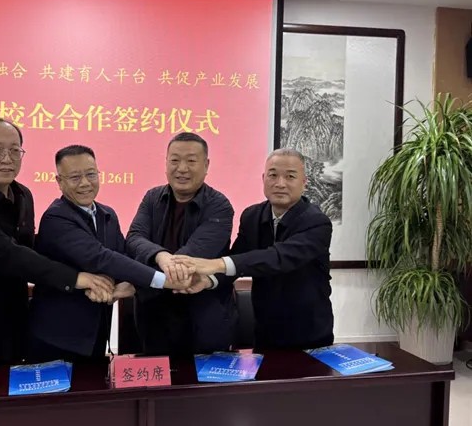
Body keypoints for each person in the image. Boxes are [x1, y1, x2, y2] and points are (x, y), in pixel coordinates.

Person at [0, 119, 114, 368]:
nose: (7, 158)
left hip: (11, 328)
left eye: (15, 150)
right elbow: (12, 256)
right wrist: (77, 278)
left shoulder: (23, 195)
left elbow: (31, 248)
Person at [28, 145, 196, 363]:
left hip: (95, 335)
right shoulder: (56, 218)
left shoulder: (107, 214)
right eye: (75, 177)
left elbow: (123, 257)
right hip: (57, 337)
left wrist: (128, 284)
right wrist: (164, 280)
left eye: (91, 174)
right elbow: (100, 258)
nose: (85, 183)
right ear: (59, 181)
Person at [173, 148, 334, 350]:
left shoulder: (317, 222)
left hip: (309, 334)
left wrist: (214, 264)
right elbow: (237, 259)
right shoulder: (252, 216)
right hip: (265, 331)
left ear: (304, 182)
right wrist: (207, 280)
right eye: (273, 175)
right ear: (263, 179)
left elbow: (277, 258)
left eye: (290, 176)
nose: (280, 183)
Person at [126, 132, 236, 357]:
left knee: (201, 377)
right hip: (153, 316)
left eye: (191, 161)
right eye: (175, 160)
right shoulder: (152, 198)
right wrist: (160, 255)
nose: (182, 169)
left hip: (202, 316)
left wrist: (147, 271)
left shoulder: (219, 206)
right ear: (166, 163)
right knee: (155, 374)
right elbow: (135, 237)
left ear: (206, 165)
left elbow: (190, 259)